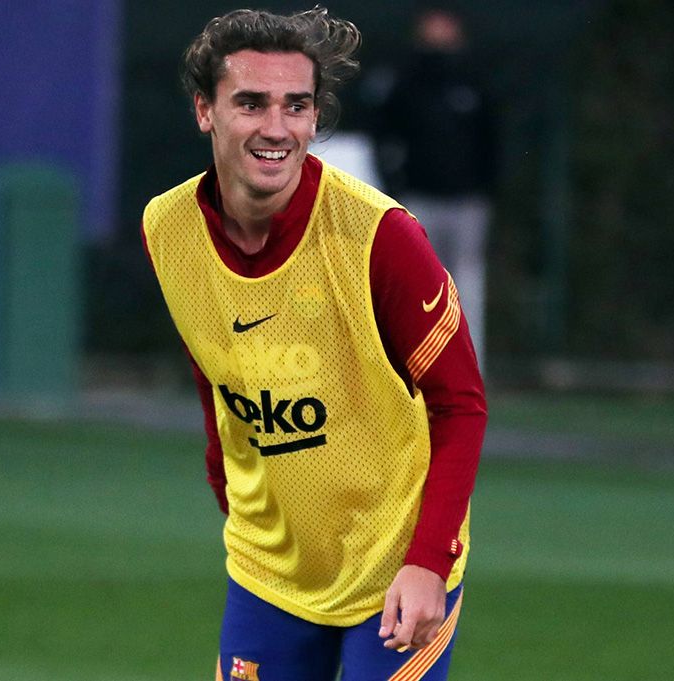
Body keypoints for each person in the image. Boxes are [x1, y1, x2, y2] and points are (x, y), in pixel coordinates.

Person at [141, 8, 486, 680]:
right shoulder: (167, 226)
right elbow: (214, 372)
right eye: (251, 103)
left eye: (296, 105)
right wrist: (228, 488)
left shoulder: (381, 237)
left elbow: (461, 405)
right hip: (267, 572)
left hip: (392, 569)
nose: (277, 127)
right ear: (204, 111)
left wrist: (427, 564)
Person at [369, 6, 496, 372]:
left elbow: (491, 142)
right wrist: (396, 187)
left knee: (466, 285)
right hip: (419, 199)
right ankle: (416, 366)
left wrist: (484, 189)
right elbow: (384, 136)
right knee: (417, 283)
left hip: (467, 204)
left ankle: (468, 368)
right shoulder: (406, 82)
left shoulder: (473, 80)